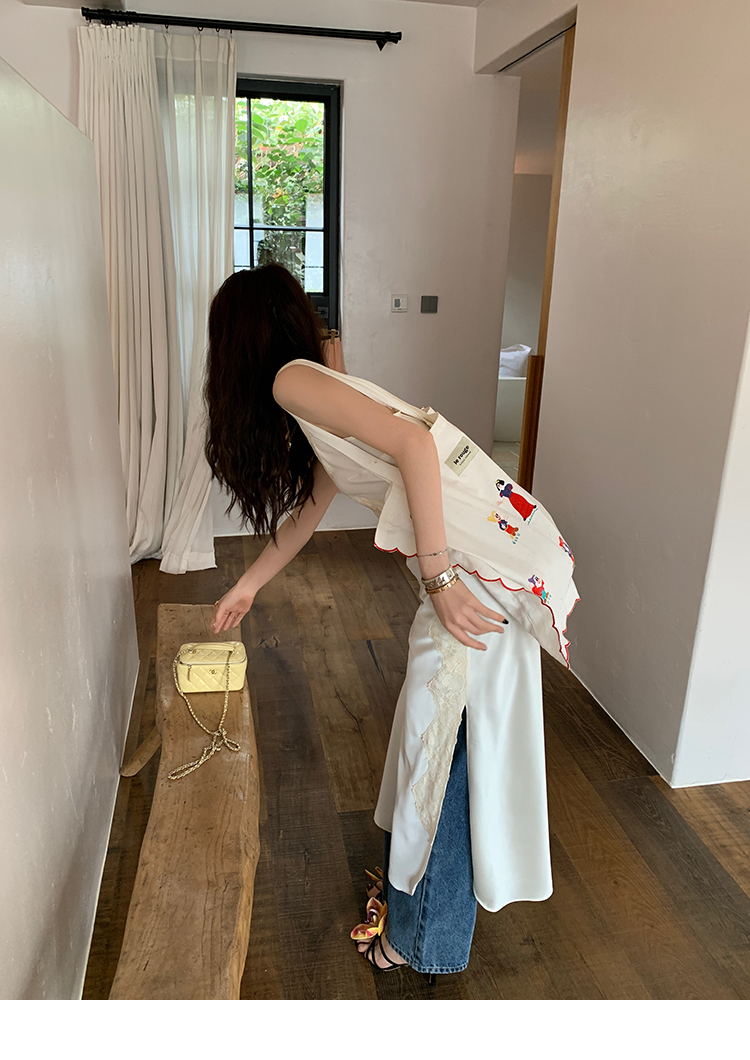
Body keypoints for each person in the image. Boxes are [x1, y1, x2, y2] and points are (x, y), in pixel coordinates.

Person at [206, 264, 577, 982]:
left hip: (472, 573)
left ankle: (418, 939)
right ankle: (416, 911)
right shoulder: (314, 386)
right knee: (444, 748)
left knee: (439, 759)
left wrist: (439, 579)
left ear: (238, 340)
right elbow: (314, 506)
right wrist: (248, 585)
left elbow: (414, 446)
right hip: (488, 561)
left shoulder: (290, 381)